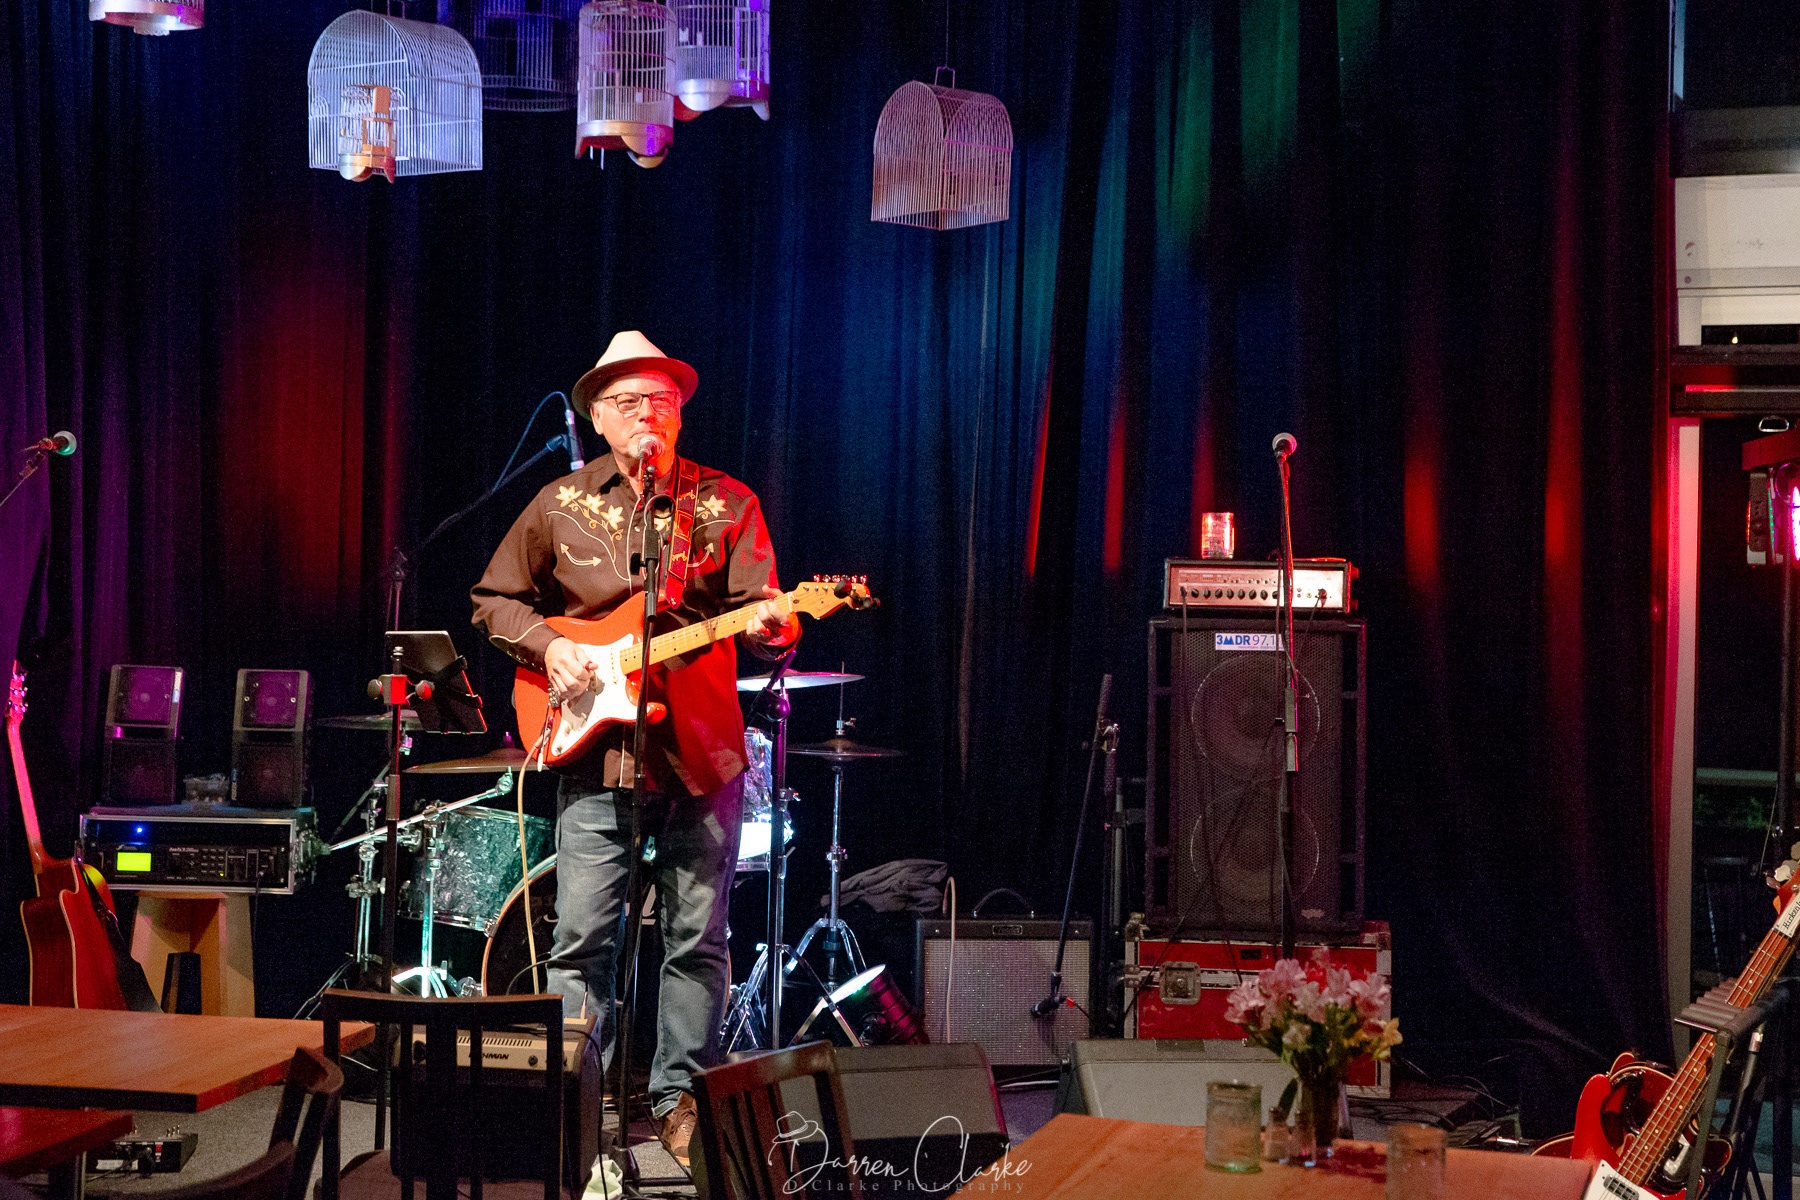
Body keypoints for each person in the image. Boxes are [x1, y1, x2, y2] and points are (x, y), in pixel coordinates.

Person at [471, 330, 798, 1169]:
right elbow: (494, 601)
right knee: (582, 942)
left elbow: (762, 611)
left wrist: (776, 623)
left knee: (698, 942)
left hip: (701, 751)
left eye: (661, 399)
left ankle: (681, 1107)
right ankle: (575, 1117)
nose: (646, 413)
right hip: (594, 754)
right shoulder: (560, 503)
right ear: (598, 417)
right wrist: (551, 646)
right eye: (627, 401)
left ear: (679, 414)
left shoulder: (726, 502)